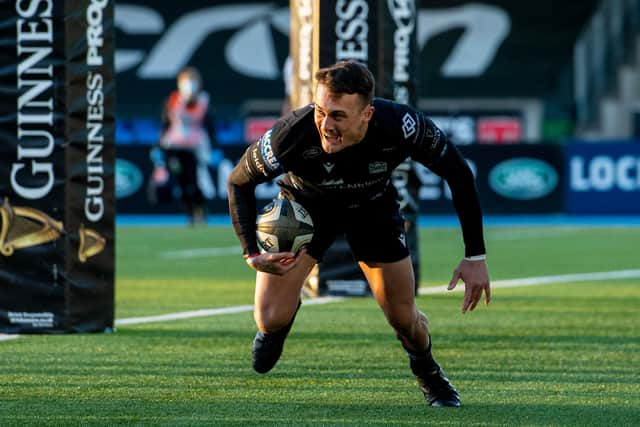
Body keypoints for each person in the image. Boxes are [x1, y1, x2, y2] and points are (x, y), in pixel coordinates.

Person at [227, 60, 491, 407]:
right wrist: (251, 252)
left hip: (371, 208)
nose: (325, 124)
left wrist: (475, 256)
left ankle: (427, 371)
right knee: (269, 317)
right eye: (321, 111)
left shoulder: (402, 125)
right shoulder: (292, 133)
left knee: (403, 318)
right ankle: (282, 318)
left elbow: (458, 173)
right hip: (306, 209)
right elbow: (238, 182)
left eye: (338, 115)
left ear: (367, 113)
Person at [150, 66, 216, 225]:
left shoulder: (203, 101)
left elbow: (210, 125)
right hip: (173, 148)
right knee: (180, 181)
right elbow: (165, 123)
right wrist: (158, 145)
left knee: (192, 181)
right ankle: (189, 214)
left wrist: (214, 147)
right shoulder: (173, 100)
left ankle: (200, 209)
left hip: (193, 148)